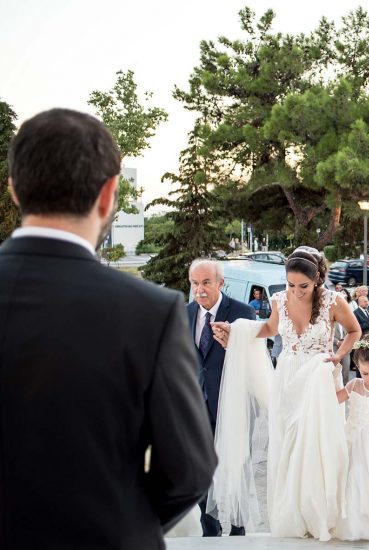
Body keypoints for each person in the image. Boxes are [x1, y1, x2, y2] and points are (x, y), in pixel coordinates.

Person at [0, 108, 216, 548]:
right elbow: (190, 469)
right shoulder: (151, 312)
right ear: (108, 194)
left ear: (14, 189)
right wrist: (121, 521)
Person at [211, 246, 361, 540]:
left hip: (319, 378)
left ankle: (319, 514)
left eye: (303, 286)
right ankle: (294, 515)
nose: (296, 291)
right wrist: (236, 330)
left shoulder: (334, 301)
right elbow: (270, 328)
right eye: (291, 285)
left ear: (317, 279)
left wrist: (338, 355)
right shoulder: (279, 299)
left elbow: (354, 331)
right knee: (287, 446)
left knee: (317, 446)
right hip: (287, 377)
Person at [187, 258, 256, 536]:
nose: (199, 289)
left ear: (221, 283)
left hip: (232, 404)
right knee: (201, 469)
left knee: (236, 468)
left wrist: (232, 343)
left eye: (206, 282)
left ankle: (238, 531)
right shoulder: (184, 313)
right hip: (197, 407)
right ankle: (210, 530)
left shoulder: (243, 313)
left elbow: (253, 359)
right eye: (194, 283)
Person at [335, 340, 369, 541]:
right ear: (357, 367)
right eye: (365, 373)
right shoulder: (354, 385)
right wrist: (331, 376)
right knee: (352, 481)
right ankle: (354, 525)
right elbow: (332, 400)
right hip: (352, 440)